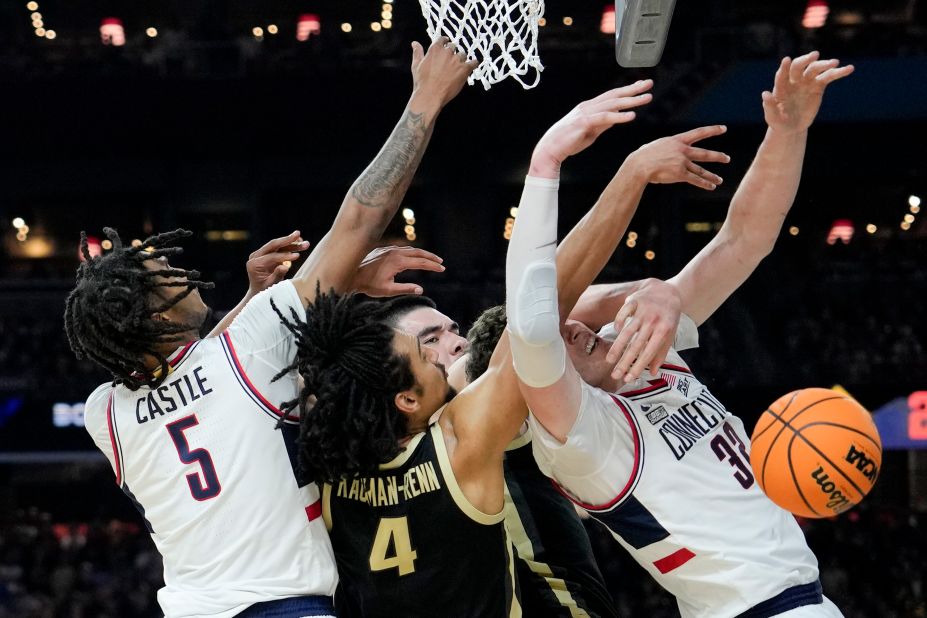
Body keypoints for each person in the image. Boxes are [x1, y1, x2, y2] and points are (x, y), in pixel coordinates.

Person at [283, 79, 730, 617]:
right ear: (403, 399)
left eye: (449, 329)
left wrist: (343, 289)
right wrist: (624, 177)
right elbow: (537, 315)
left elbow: (304, 352)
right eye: (431, 345)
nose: (455, 342)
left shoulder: (330, 467)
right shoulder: (456, 441)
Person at [64, 39, 474, 618]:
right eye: (168, 279)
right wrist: (425, 101)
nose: (186, 277)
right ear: (154, 316)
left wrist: (283, 294)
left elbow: (192, 370)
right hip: (282, 606)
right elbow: (361, 216)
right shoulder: (248, 347)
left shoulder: (104, 413)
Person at [505, 52, 854, 618]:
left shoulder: (639, 343)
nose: (574, 327)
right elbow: (533, 322)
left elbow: (744, 239)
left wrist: (787, 133)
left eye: (579, 321)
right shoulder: (584, 438)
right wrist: (547, 163)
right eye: (563, 335)